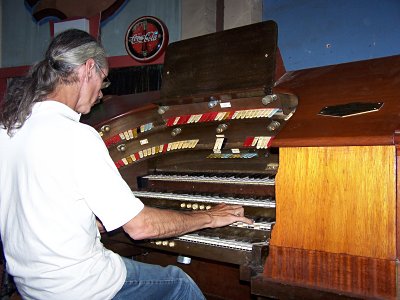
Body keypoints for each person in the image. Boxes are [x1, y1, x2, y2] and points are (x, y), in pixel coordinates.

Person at [0, 29, 252, 300]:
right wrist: (210, 216)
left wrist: (90, 221)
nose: (100, 95)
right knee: (179, 283)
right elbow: (141, 227)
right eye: (103, 80)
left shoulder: (7, 129)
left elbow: (35, 207)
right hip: (79, 287)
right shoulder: (76, 135)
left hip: (32, 287)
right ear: (88, 69)